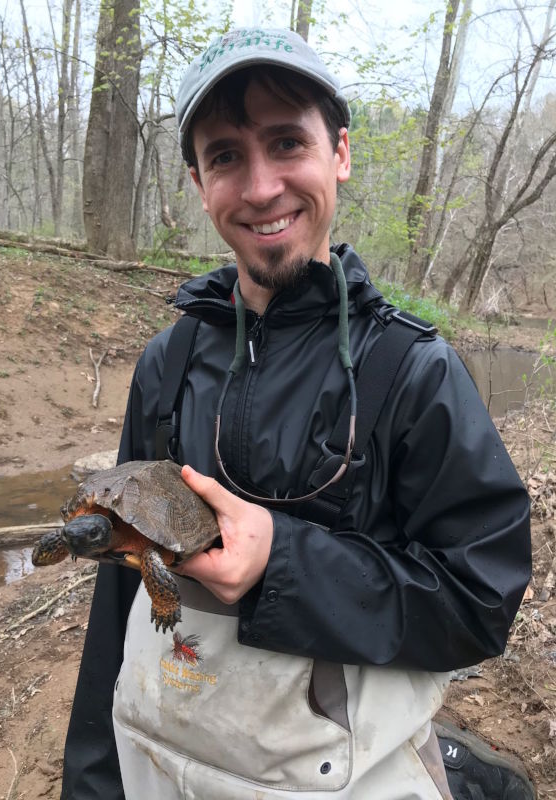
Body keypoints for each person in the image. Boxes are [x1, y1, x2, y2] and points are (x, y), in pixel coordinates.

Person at [61, 28, 534, 800]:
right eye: (225, 157)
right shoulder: (166, 365)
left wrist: (280, 562)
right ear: (197, 180)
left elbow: (481, 601)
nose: (259, 188)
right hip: (164, 760)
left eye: (287, 143)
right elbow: (118, 593)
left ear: (339, 153)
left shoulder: (412, 372)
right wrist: (92, 781)